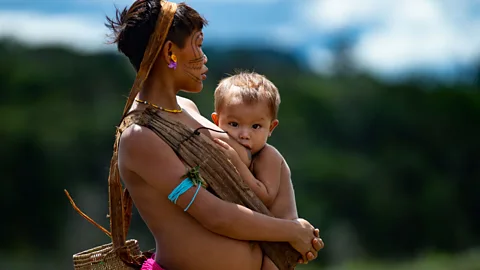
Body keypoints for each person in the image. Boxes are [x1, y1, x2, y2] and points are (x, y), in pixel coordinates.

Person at [105, 1, 324, 269]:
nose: (204, 56)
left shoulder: (188, 108)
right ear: (170, 52)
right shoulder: (140, 136)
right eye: (197, 43)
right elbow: (214, 215)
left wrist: (292, 238)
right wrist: (291, 232)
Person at [211, 71, 299, 270]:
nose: (244, 135)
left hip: (279, 243)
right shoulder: (227, 150)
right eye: (233, 124)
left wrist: (236, 163)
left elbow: (264, 197)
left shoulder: (269, 156)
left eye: (256, 126)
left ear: (271, 128)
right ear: (216, 122)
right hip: (260, 235)